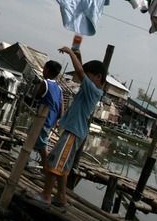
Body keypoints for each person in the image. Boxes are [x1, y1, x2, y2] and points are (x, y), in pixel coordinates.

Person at [37, 46, 106, 211]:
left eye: (90, 77)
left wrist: (69, 52)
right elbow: (82, 70)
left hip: (74, 132)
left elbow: (81, 71)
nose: (85, 79)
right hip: (73, 131)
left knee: (54, 164)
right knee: (64, 167)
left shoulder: (94, 91)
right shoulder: (90, 88)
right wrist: (77, 54)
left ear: (98, 77)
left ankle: (46, 196)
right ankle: (61, 197)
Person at [34, 60, 64, 169]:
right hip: (51, 121)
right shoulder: (59, 88)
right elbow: (61, 110)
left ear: (47, 70)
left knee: (42, 145)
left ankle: (47, 167)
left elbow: (36, 96)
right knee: (38, 141)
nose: (43, 71)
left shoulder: (45, 83)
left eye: (44, 69)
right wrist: (56, 120)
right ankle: (42, 164)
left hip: (43, 119)